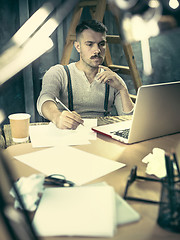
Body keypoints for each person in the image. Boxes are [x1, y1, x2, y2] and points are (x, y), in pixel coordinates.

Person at [37, 20, 134, 129]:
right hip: (69, 134)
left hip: (102, 136)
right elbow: (44, 99)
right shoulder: (59, 73)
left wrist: (122, 89)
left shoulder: (113, 79)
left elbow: (129, 119)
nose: (97, 50)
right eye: (90, 44)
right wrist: (57, 117)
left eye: (101, 44)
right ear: (78, 47)